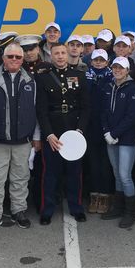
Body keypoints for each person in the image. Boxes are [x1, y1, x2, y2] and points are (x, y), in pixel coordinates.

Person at [0, 43, 40, 232]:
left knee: (20, 178)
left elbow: (36, 111)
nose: (14, 60)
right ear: (4, 58)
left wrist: (37, 137)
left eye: (18, 57)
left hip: (23, 140)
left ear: (23, 60)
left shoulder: (32, 80)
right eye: (10, 56)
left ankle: (18, 210)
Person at [35, 43, 90, 224]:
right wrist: (49, 134)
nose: (60, 56)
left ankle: (76, 207)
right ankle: (47, 209)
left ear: (68, 55)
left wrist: (80, 131)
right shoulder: (43, 78)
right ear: (51, 56)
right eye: (56, 53)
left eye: (63, 53)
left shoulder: (80, 76)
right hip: (53, 131)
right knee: (50, 173)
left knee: (74, 172)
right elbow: (41, 110)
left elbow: (86, 108)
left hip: (74, 130)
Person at [100, 57, 135, 228]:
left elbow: (132, 116)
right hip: (110, 137)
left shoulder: (133, 88)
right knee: (117, 173)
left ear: (128, 70)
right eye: (115, 67)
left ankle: (130, 212)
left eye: (121, 68)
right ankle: (118, 207)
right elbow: (103, 111)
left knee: (125, 175)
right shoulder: (108, 86)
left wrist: (115, 133)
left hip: (127, 139)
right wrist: (106, 131)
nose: (117, 70)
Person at [85, 49, 115, 214]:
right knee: (93, 163)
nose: (98, 62)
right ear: (91, 61)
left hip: (107, 127)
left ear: (107, 62)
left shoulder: (112, 77)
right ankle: (94, 195)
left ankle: (105, 195)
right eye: (95, 60)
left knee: (106, 163)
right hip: (90, 126)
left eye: (101, 60)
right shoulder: (85, 76)